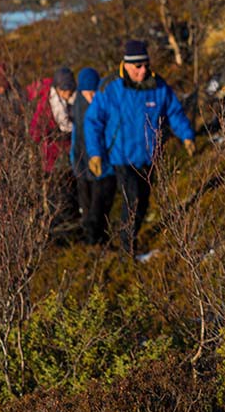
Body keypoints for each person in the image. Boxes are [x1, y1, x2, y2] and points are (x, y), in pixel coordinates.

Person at [83, 39, 196, 254]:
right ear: (126, 65)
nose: (143, 70)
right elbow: (92, 121)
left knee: (143, 202)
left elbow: (174, 112)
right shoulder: (111, 89)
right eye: (138, 66)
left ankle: (129, 238)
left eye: (146, 65)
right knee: (132, 199)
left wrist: (187, 136)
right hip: (121, 157)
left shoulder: (158, 87)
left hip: (148, 156)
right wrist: (95, 153)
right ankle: (127, 248)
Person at [69, 67, 116, 244]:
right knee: (88, 205)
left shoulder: (104, 102)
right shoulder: (79, 105)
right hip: (82, 162)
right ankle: (91, 240)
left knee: (100, 204)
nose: (91, 97)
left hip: (103, 163)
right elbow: (77, 136)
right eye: (87, 93)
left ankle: (99, 238)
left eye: (93, 92)